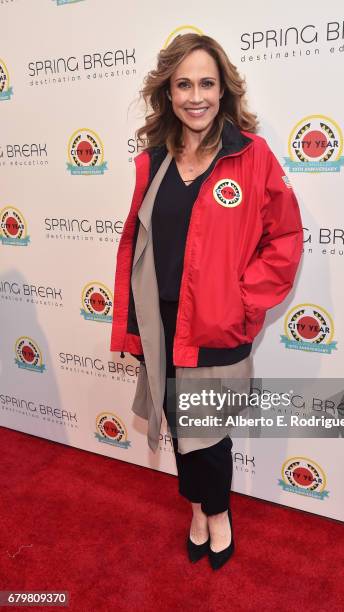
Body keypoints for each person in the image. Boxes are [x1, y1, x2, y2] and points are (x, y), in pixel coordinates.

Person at [110, 33, 303, 570]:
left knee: (209, 434)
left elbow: (285, 240)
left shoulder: (252, 155)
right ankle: (196, 509)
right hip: (162, 323)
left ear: (224, 91)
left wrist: (243, 302)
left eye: (207, 83)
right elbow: (138, 246)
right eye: (184, 84)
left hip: (216, 325)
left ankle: (217, 514)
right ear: (168, 94)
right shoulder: (155, 163)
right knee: (178, 424)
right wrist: (132, 322)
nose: (196, 96)